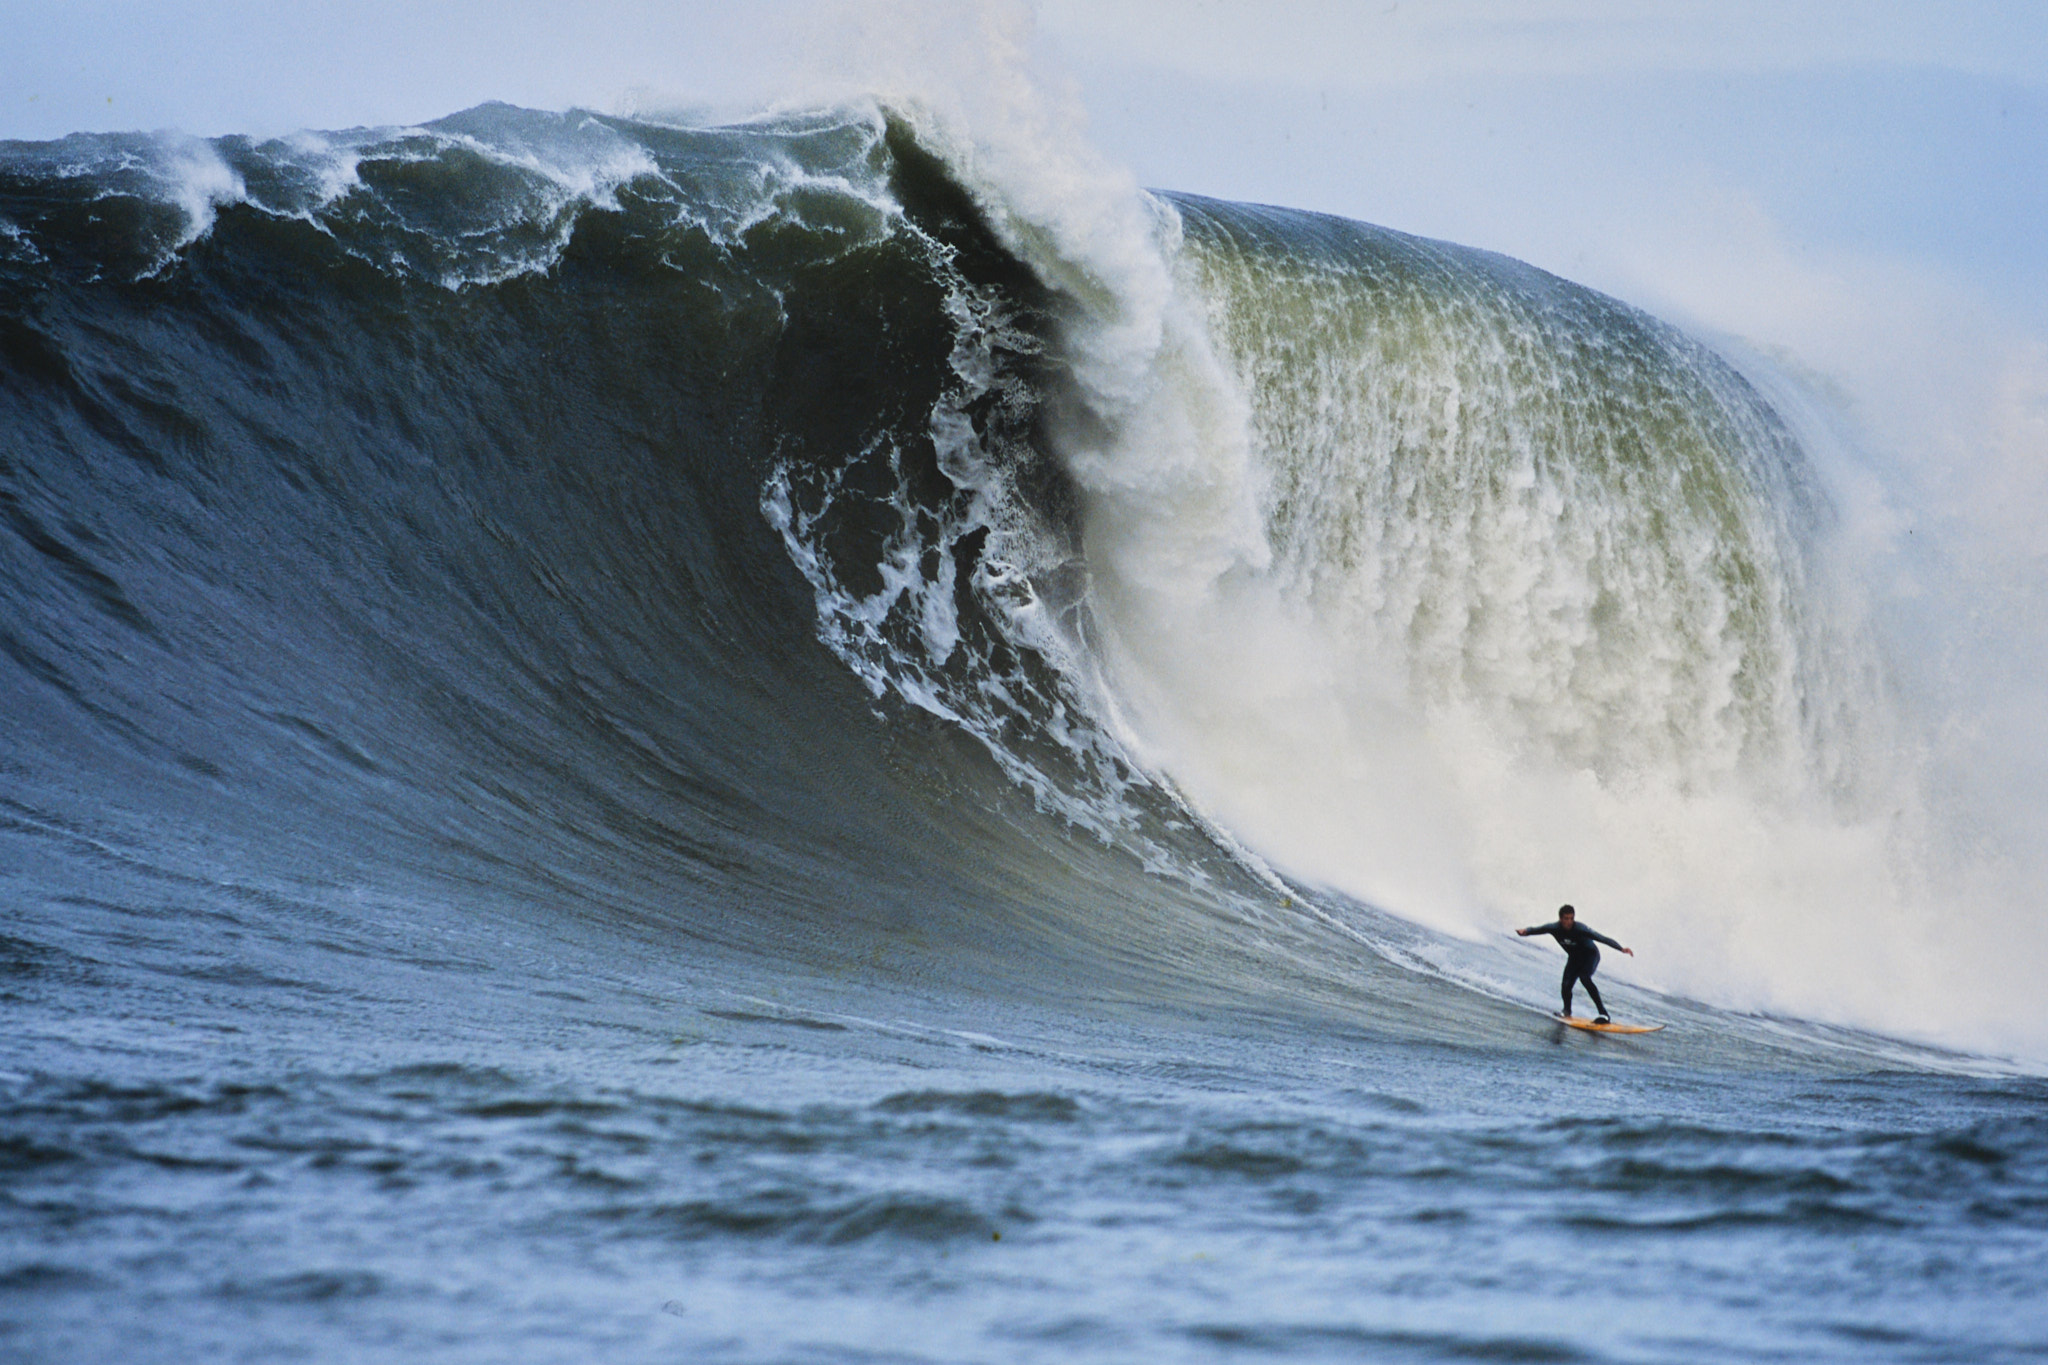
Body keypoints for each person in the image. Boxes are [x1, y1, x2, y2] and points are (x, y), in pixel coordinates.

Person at [1517, 904, 1633, 1023]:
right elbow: (1538, 929)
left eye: (1571, 918)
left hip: (1590, 956)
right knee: (1566, 984)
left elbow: (1601, 938)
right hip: (1574, 958)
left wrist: (1620, 948)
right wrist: (1525, 931)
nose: (1569, 922)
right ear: (1560, 919)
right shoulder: (1554, 928)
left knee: (1584, 978)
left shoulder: (1580, 929)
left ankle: (1604, 1014)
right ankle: (1567, 1011)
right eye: (1566, 919)